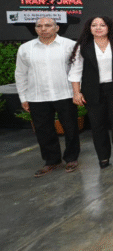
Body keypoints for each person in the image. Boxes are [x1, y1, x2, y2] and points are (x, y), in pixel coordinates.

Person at [15, 18, 80, 177]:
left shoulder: (69, 45)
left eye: (48, 25)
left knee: (71, 128)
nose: (43, 29)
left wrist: (77, 92)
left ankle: (71, 158)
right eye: (39, 26)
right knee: (44, 131)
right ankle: (52, 161)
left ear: (56, 28)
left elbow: (77, 70)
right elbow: (20, 74)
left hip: (65, 94)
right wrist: (23, 97)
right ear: (35, 29)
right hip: (37, 96)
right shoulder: (25, 49)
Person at [69, 16, 113, 169]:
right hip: (92, 90)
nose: (98, 27)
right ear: (89, 28)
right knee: (97, 125)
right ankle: (103, 157)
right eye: (94, 25)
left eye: (102, 25)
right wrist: (77, 92)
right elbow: (75, 71)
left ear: (109, 27)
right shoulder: (83, 46)